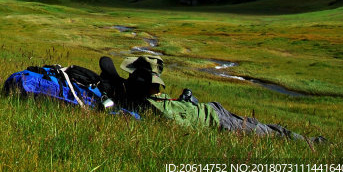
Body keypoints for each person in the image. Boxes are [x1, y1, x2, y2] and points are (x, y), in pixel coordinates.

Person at [99, 55, 320, 142]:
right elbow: (185, 124)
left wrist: (184, 101)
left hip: (215, 112)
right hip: (220, 121)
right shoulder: (156, 108)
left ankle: (309, 142)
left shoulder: (145, 101)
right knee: (269, 132)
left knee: (269, 130)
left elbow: (106, 65)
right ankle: (313, 143)